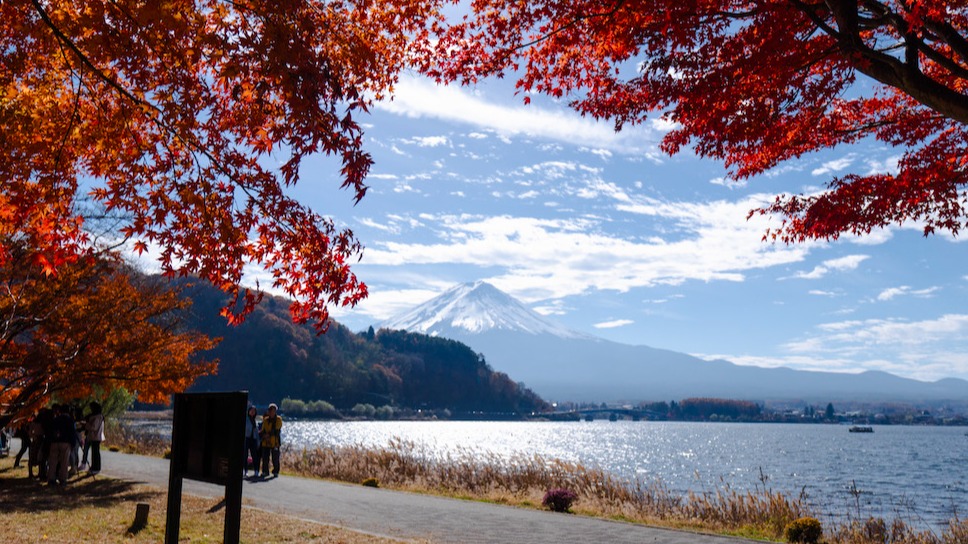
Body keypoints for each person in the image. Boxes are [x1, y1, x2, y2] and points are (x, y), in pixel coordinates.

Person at [47, 404, 76, 486]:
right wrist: (73, 443)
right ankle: (63, 479)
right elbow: (72, 433)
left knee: (53, 461)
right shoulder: (70, 420)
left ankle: (51, 479)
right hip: (65, 442)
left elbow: (50, 431)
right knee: (64, 462)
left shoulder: (56, 419)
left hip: (54, 442)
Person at [259, 403, 282, 478]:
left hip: (275, 442)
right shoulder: (265, 420)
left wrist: (268, 434)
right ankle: (265, 471)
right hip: (266, 442)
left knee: (275, 458)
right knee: (265, 457)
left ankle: (275, 471)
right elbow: (263, 430)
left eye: (274, 411)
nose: (272, 412)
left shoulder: (279, 419)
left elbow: (276, 429)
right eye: (271, 411)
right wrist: (263, 435)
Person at [84, 401, 105, 475]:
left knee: (95, 453)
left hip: (95, 436)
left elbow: (94, 427)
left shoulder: (97, 417)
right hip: (95, 436)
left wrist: (86, 425)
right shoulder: (99, 416)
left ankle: (96, 467)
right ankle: (94, 467)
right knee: (95, 452)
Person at [244, 405, 261, 477]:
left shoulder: (255, 421)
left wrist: (258, 442)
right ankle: (245, 470)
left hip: (253, 439)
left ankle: (256, 470)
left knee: (254, 455)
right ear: (249, 411)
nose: (252, 412)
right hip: (246, 438)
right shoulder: (246, 419)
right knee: (245, 455)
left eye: (254, 411)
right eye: (251, 410)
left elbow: (257, 433)